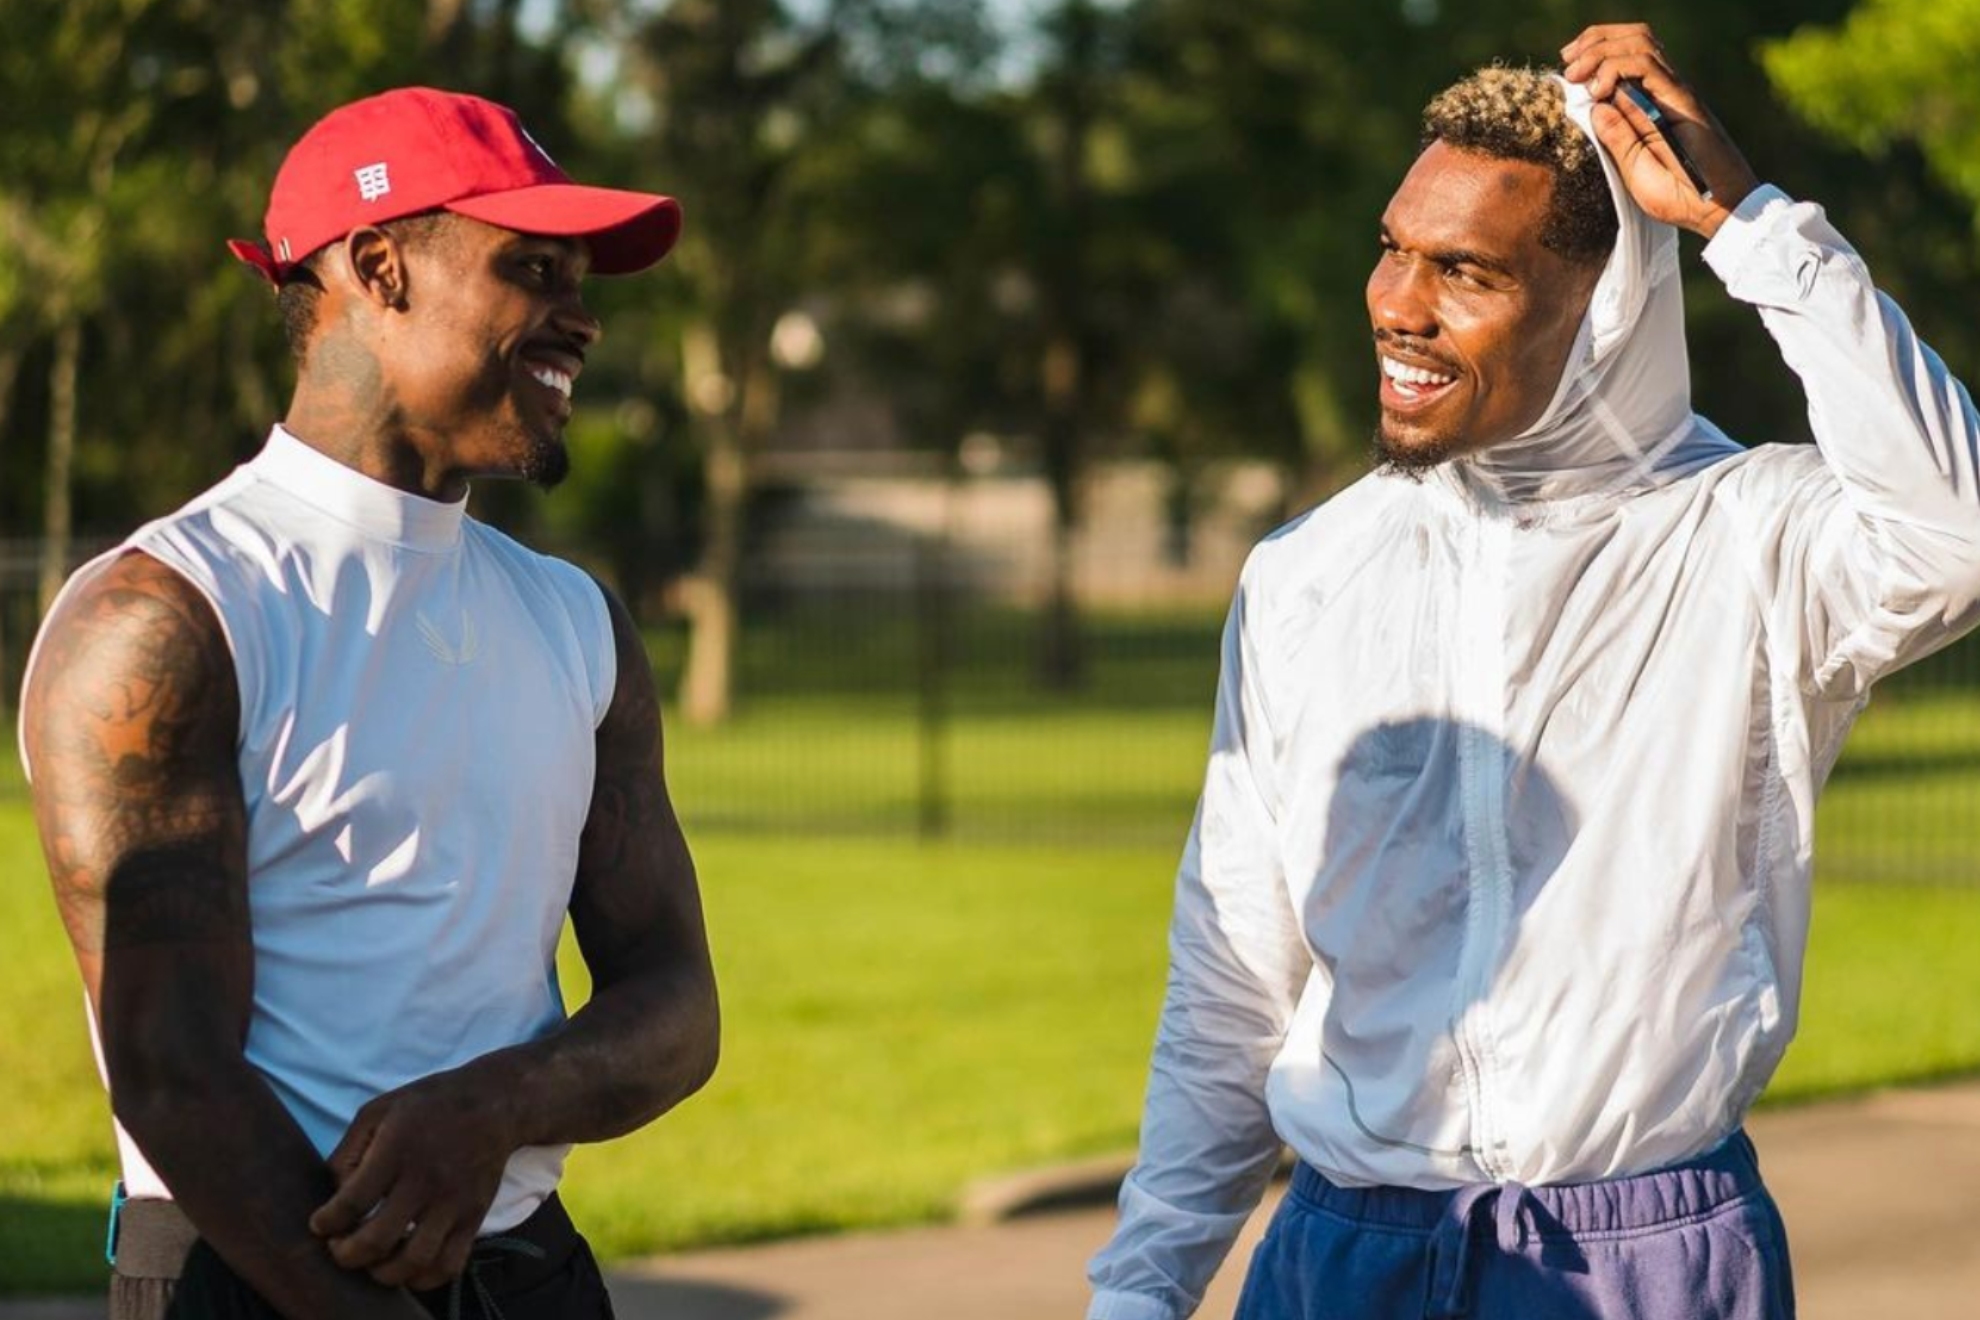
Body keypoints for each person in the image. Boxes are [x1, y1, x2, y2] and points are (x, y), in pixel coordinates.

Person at [1088, 22, 1980, 1320]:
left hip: (1648, 1260)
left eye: (1465, 270)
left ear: (1604, 306)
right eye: (1394, 248)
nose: (1398, 304)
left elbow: (1956, 535)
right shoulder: (1307, 573)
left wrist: (1749, 225)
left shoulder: (1751, 538)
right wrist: (1139, 1293)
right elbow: (1234, 978)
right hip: (1340, 1255)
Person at [19, 87, 719, 1320]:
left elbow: (677, 1004)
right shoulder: (171, 614)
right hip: (252, 1272)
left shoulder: (574, 620)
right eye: (532, 268)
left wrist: (496, 1104)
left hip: (530, 1270)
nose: (581, 316)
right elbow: (173, 1075)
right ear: (380, 266)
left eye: (578, 278)